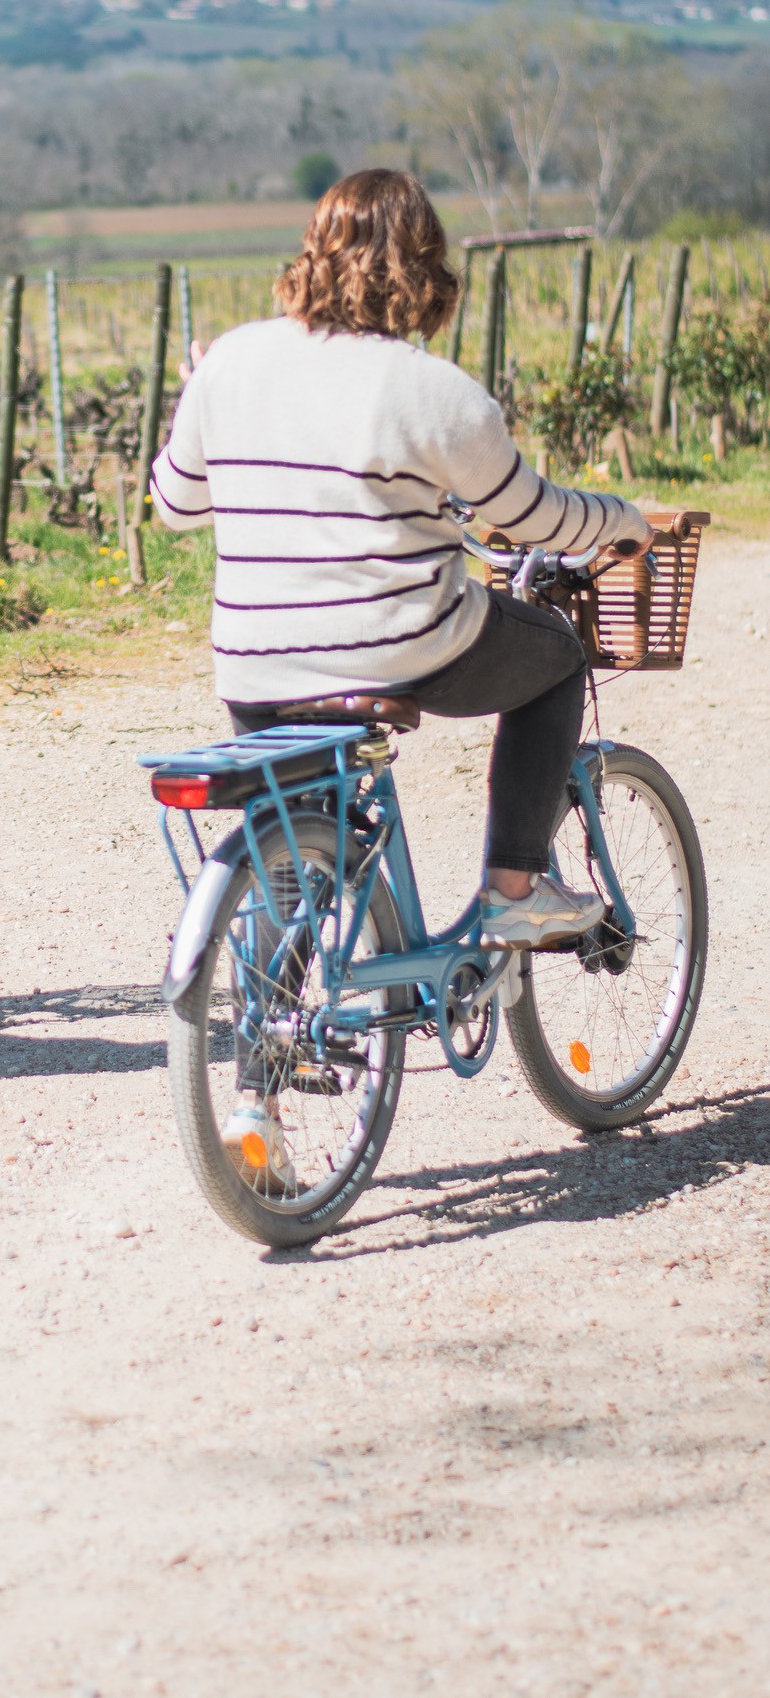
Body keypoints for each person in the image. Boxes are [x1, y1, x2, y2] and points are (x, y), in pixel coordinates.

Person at [150, 170, 652, 1174]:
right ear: (423, 270)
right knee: (552, 660)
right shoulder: (436, 391)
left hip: (254, 659)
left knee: (290, 870)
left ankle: (257, 1100)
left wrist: (200, 393)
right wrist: (623, 522)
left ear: (310, 253)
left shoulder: (234, 359)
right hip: (403, 645)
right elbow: (530, 519)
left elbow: (175, 504)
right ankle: (513, 889)